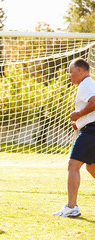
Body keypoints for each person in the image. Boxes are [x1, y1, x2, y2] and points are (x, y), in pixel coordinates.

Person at [53, 58, 95, 217]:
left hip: (92, 130)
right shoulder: (88, 84)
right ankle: (71, 207)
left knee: (73, 165)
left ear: (80, 70)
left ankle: (71, 207)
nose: (69, 75)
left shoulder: (86, 84)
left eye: (71, 72)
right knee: (91, 167)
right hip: (91, 128)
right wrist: (80, 122)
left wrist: (78, 114)